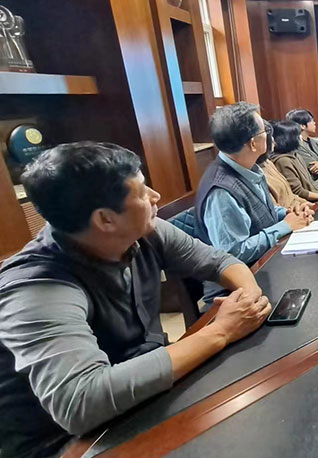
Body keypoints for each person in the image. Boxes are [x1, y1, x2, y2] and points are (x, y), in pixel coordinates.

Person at [0, 142, 272, 457]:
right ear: (105, 220)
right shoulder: (36, 288)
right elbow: (80, 402)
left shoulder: (145, 231)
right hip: (67, 443)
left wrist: (248, 300)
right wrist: (221, 331)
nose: (156, 196)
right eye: (142, 192)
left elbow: (219, 262)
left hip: (142, 397)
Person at [256, 120, 314, 214]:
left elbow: (291, 195)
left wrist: (307, 204)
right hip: (292, 214)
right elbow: (275, 210)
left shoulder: (268, 163)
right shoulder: (281, 161)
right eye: (269, 136)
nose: (273, 140)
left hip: (299, 209)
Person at [270, 120, 318, 202]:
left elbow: (311, 184)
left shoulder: (296, 155)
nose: (300, 137)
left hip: (316, 196)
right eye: (298, 135)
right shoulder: (283, 161)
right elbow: (299, 192)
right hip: (308, 202)